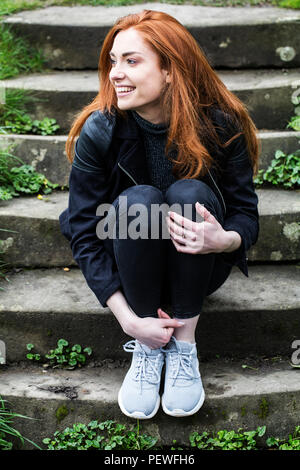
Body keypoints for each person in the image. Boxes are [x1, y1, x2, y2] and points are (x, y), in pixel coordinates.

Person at [59, 9, 260, 419]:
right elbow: (82, 229)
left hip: (201, 265)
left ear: (170, 70)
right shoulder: (100, 131)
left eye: (132, 61)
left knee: (188, 193)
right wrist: (131, 322)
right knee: (139, 201)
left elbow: (245, 214)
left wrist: (225, 240)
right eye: (113, 61)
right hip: (131, 267)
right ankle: (149, 350)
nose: (115, 72)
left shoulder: (223, 125)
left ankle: (184, 344)